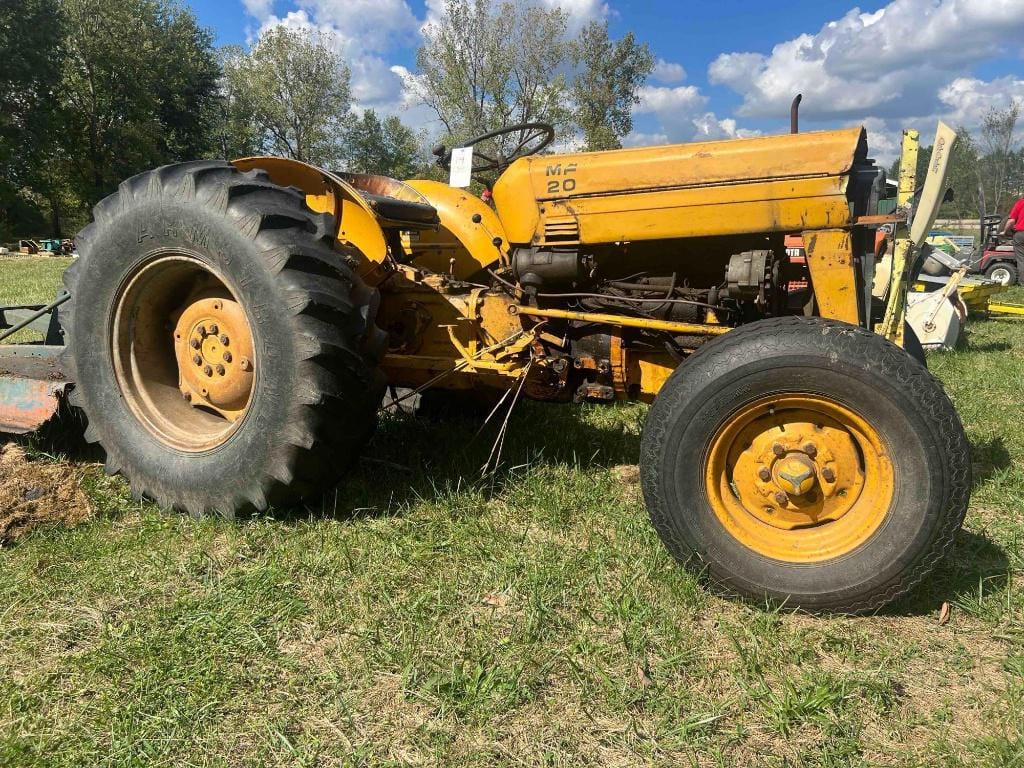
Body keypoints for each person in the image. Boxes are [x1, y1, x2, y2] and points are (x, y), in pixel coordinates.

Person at [1003, 195, 1024, 280]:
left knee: (1021, 259)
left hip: (1021, 234)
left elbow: (1011, 221)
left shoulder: (1021, 202)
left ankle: (1023, 281)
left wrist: (1004, 231)